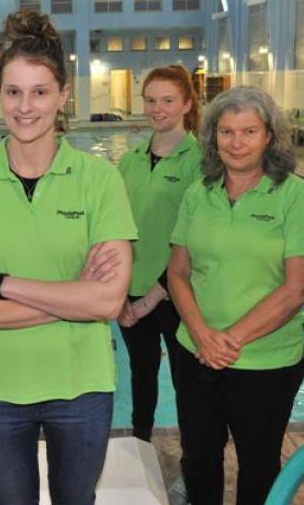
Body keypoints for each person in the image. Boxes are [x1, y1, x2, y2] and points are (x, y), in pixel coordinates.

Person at [0, 10, 136, 505]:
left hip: (81, 385)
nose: (26, 107)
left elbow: (109, 302)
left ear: (63, 95)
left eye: (40, 92)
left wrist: (2, 284)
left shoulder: (100, 180)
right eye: (13, 92)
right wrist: (73, 296)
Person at [168, 86, 304, 505]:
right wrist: (202, 334)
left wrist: (229, 338)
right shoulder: (198, 193)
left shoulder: (294, 195)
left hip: (267, 362)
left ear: (269, 137)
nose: (236, 143)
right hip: (198, 355)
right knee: (199, 461)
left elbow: (299, 288)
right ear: (212, 137)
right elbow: (178, 271)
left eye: (248, 131)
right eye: (226, 132)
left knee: (258, 468)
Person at [117, 65, 202, 442]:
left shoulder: (200, 162)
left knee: (187, 382)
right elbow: (114, 230)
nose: (157, 108)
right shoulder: (130, 160)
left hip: (176, 294)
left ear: (186, 103)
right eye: (151, 100)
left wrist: (155, 295)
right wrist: (118, 293)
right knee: (140, 373)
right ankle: (140, 444)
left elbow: (196, 239)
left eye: (168, 100)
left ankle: (192, 459)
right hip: (131, 291)